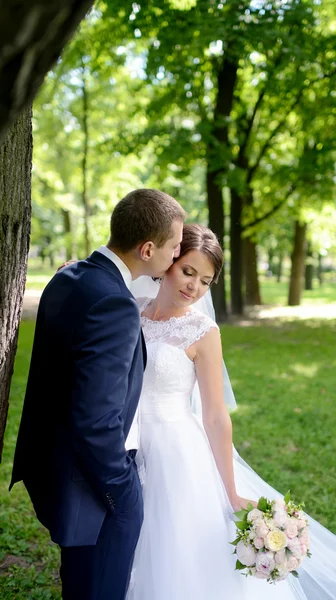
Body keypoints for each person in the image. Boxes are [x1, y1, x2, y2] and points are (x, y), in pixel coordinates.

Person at [127, 223, 336, 600]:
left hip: (174, 450)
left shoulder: (202, 331)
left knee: (172, 546)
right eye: (188, 271)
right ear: (168, 261)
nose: (193, 287)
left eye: (205, 281)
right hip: (126, 439)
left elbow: (215, 415)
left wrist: (230, 490)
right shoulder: (133, 310)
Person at [9, 189, 185, 600]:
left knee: (81, 582)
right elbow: (96, 419)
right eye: (174, 247)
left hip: (56, 469)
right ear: (147, 249)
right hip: (93, 486)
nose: (176, 256)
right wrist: (122, 492)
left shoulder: (70, 276)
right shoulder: (115, 304)